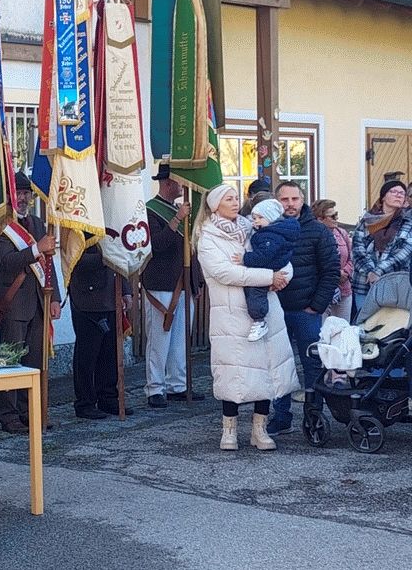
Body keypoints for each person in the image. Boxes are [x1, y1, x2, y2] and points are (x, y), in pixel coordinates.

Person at [195, 183, 299, 451]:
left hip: (264, 309)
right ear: (214, 204)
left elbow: (279, 255)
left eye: (235, 198)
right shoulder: (208, 237)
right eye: (228, 198)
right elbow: (224, 272)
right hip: (230, 314)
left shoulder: (252, 227)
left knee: (265, 371)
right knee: (234, 372)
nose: (235, 202)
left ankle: (259, 429)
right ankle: (229, 430)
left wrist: (284, 276)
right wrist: (267, 277)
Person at [266, 181, 341, 436]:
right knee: (278, 365)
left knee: (312, 365)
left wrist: (316, 306)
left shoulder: (318, 232)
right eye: (284, 199)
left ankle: (314, 416)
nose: (289, 204)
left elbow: (331, 271)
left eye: (294, 199)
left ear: (302, 200)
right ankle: (282, 416)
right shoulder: (268, 228)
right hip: (275, 310)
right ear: (277, 202)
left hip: (306, 311)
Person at [0, 172, 60, 433]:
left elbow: (49, 264)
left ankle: (32, 412)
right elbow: (7, 262)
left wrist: (56, 299)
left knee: (34, 363)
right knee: (10, 363)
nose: (22, 198)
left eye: (26, 193)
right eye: (17, 193)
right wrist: (36, 249)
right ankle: (8, 415)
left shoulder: (39, 224)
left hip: (40, 302)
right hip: (14, 303)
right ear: (9, 196)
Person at [142, 163, 204, 408]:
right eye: (180, 182)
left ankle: (177, 384)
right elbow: (156, 245)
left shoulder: (179, 210)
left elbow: (191, 250)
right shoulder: (151, 211)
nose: (183, 187)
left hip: (183, 283)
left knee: (180, 339)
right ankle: (155, 388)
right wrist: (177, 220)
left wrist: (195, 281)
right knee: (159, 339)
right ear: (169, 183)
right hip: (161, 283)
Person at [68, 244, 132, 419]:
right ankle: (85, 403)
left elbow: (119, 261)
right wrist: (108, 257)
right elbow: (76, 260)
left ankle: (108, 398)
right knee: (87, 358)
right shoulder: (80, 223)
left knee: (109, 354)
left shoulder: (109, 225)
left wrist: (125, 290)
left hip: (111, 298)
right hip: (88, 299)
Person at [233, 199, 299, 342]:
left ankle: (258, 320)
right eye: (254, 218)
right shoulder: (275, 232)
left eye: (260, 218)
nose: (255, 222)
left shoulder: (270, 235)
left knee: (255, 291)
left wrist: (245, 258)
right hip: (275, 265)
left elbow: (263, 256)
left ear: (271, 218)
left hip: (270, 266)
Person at [351, 181, 412, 317]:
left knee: (390, 328)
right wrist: (370, 272)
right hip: (365, 283)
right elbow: (357, 249)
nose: (398, 195)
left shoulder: (408, 221)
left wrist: (378, 272)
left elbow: (404, 253)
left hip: (395, 285)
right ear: (383, 196)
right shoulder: (367, 220)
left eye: (402, 193)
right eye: (394, 192)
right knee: (364, 324)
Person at [311, 199, 354, 321]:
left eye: (337, 214)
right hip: (321, 290)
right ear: (320, 219)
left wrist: (345, 271)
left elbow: (352, 256)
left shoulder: (342, 233)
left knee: (343, 329)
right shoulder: (314, 236)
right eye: (332, 216)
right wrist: (335, 274)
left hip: (344, 288)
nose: (336, 218)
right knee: (323, 331)